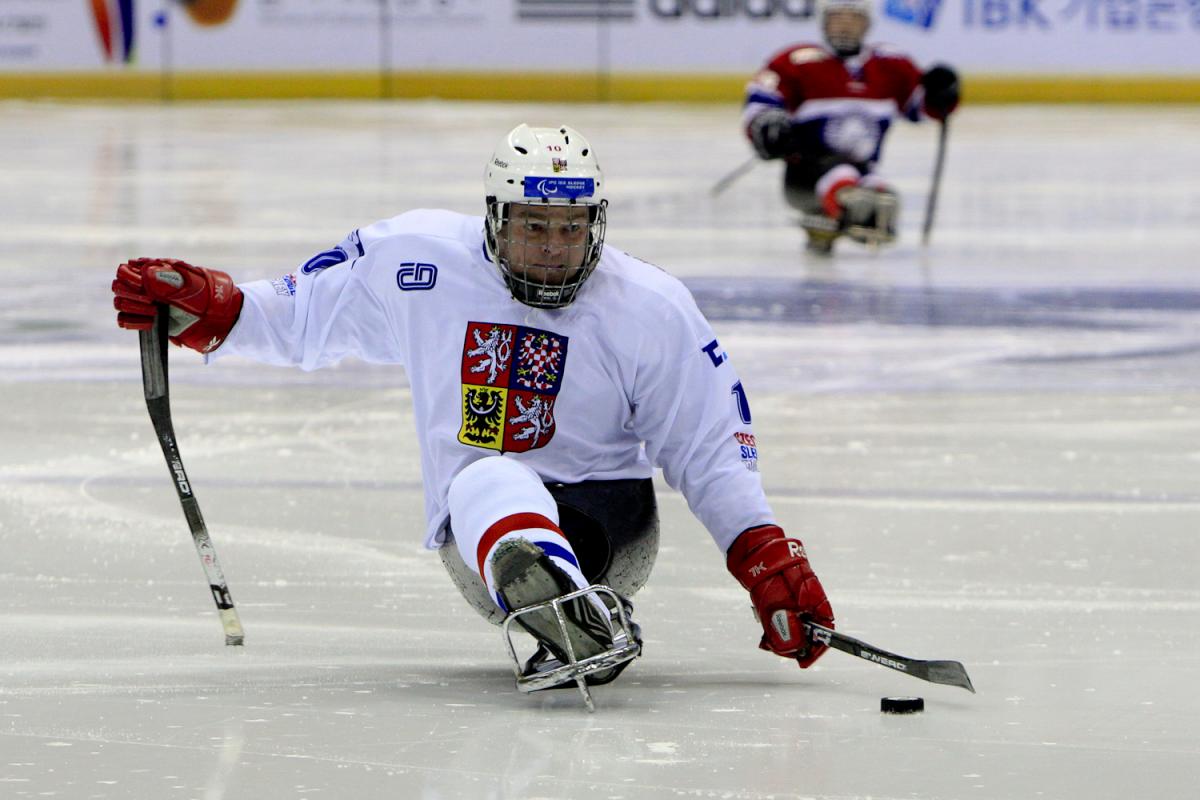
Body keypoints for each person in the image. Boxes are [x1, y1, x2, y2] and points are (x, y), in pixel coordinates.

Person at [111, 124, 835, 705]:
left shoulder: (650, 305)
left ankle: (576, 611)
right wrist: (214, 310)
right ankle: (563, 614)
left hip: (612, 528)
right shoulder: (414, 259)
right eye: (533, 226)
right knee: (488, 477)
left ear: (596, 222)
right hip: (479, 535)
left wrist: (765, 557)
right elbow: (303, 316)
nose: (553, 250)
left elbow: (708, 447)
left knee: (489, 477)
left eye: (570, 228)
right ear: (494, 216)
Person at [742, 0, 960, 254]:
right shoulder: (795, 62)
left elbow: (920, 108)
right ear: (823, 21)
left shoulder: (891, 65)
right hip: (804, 178)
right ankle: (836, 207)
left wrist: (941, 93)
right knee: (850, 186)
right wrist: (767, 125)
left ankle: (841, 216)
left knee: (882, 198)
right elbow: (760, 103)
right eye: (837, 18)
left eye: (853, 18)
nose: (845, 26)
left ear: (867, 24)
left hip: (864, 169)